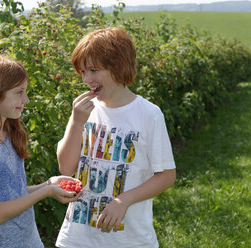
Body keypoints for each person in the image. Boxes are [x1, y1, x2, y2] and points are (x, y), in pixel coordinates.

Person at [55, 27, 176, 248]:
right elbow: (65, 168)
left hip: (128, 239)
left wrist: (123, 201)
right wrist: (76, 122)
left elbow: (167, 175)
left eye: (93, 70)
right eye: (82, 72)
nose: (86, 79)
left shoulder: (148, 114)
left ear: (118, 66)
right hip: (78, 238)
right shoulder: (83, 112)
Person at [0, 55, 81, 248]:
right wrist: (45, 192)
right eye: (19, 92)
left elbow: (11, 194)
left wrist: (48, 184)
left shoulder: (8, 135)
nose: (26, 100)